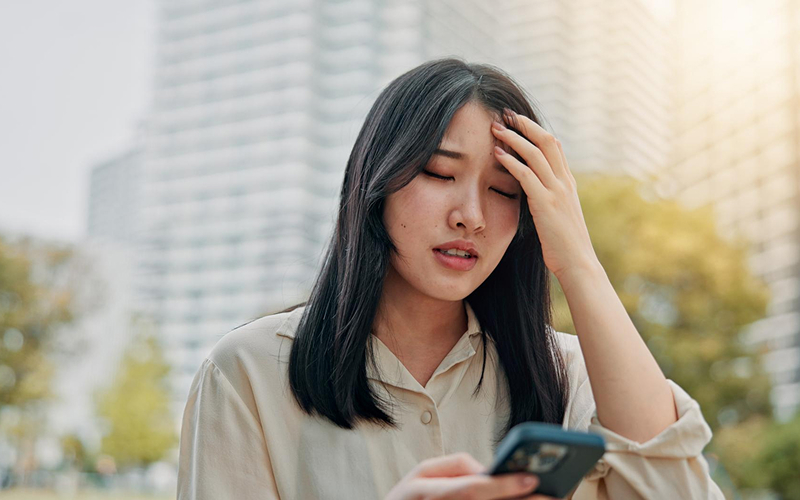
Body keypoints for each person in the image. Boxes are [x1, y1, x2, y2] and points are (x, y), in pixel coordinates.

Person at [177, 58, 724, 499]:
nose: (472, 215)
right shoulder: (248, 373)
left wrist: (578, 260)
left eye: (504, 190)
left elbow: (677, 488)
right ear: (378, 180)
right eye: (441, 173)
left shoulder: (572, 376)